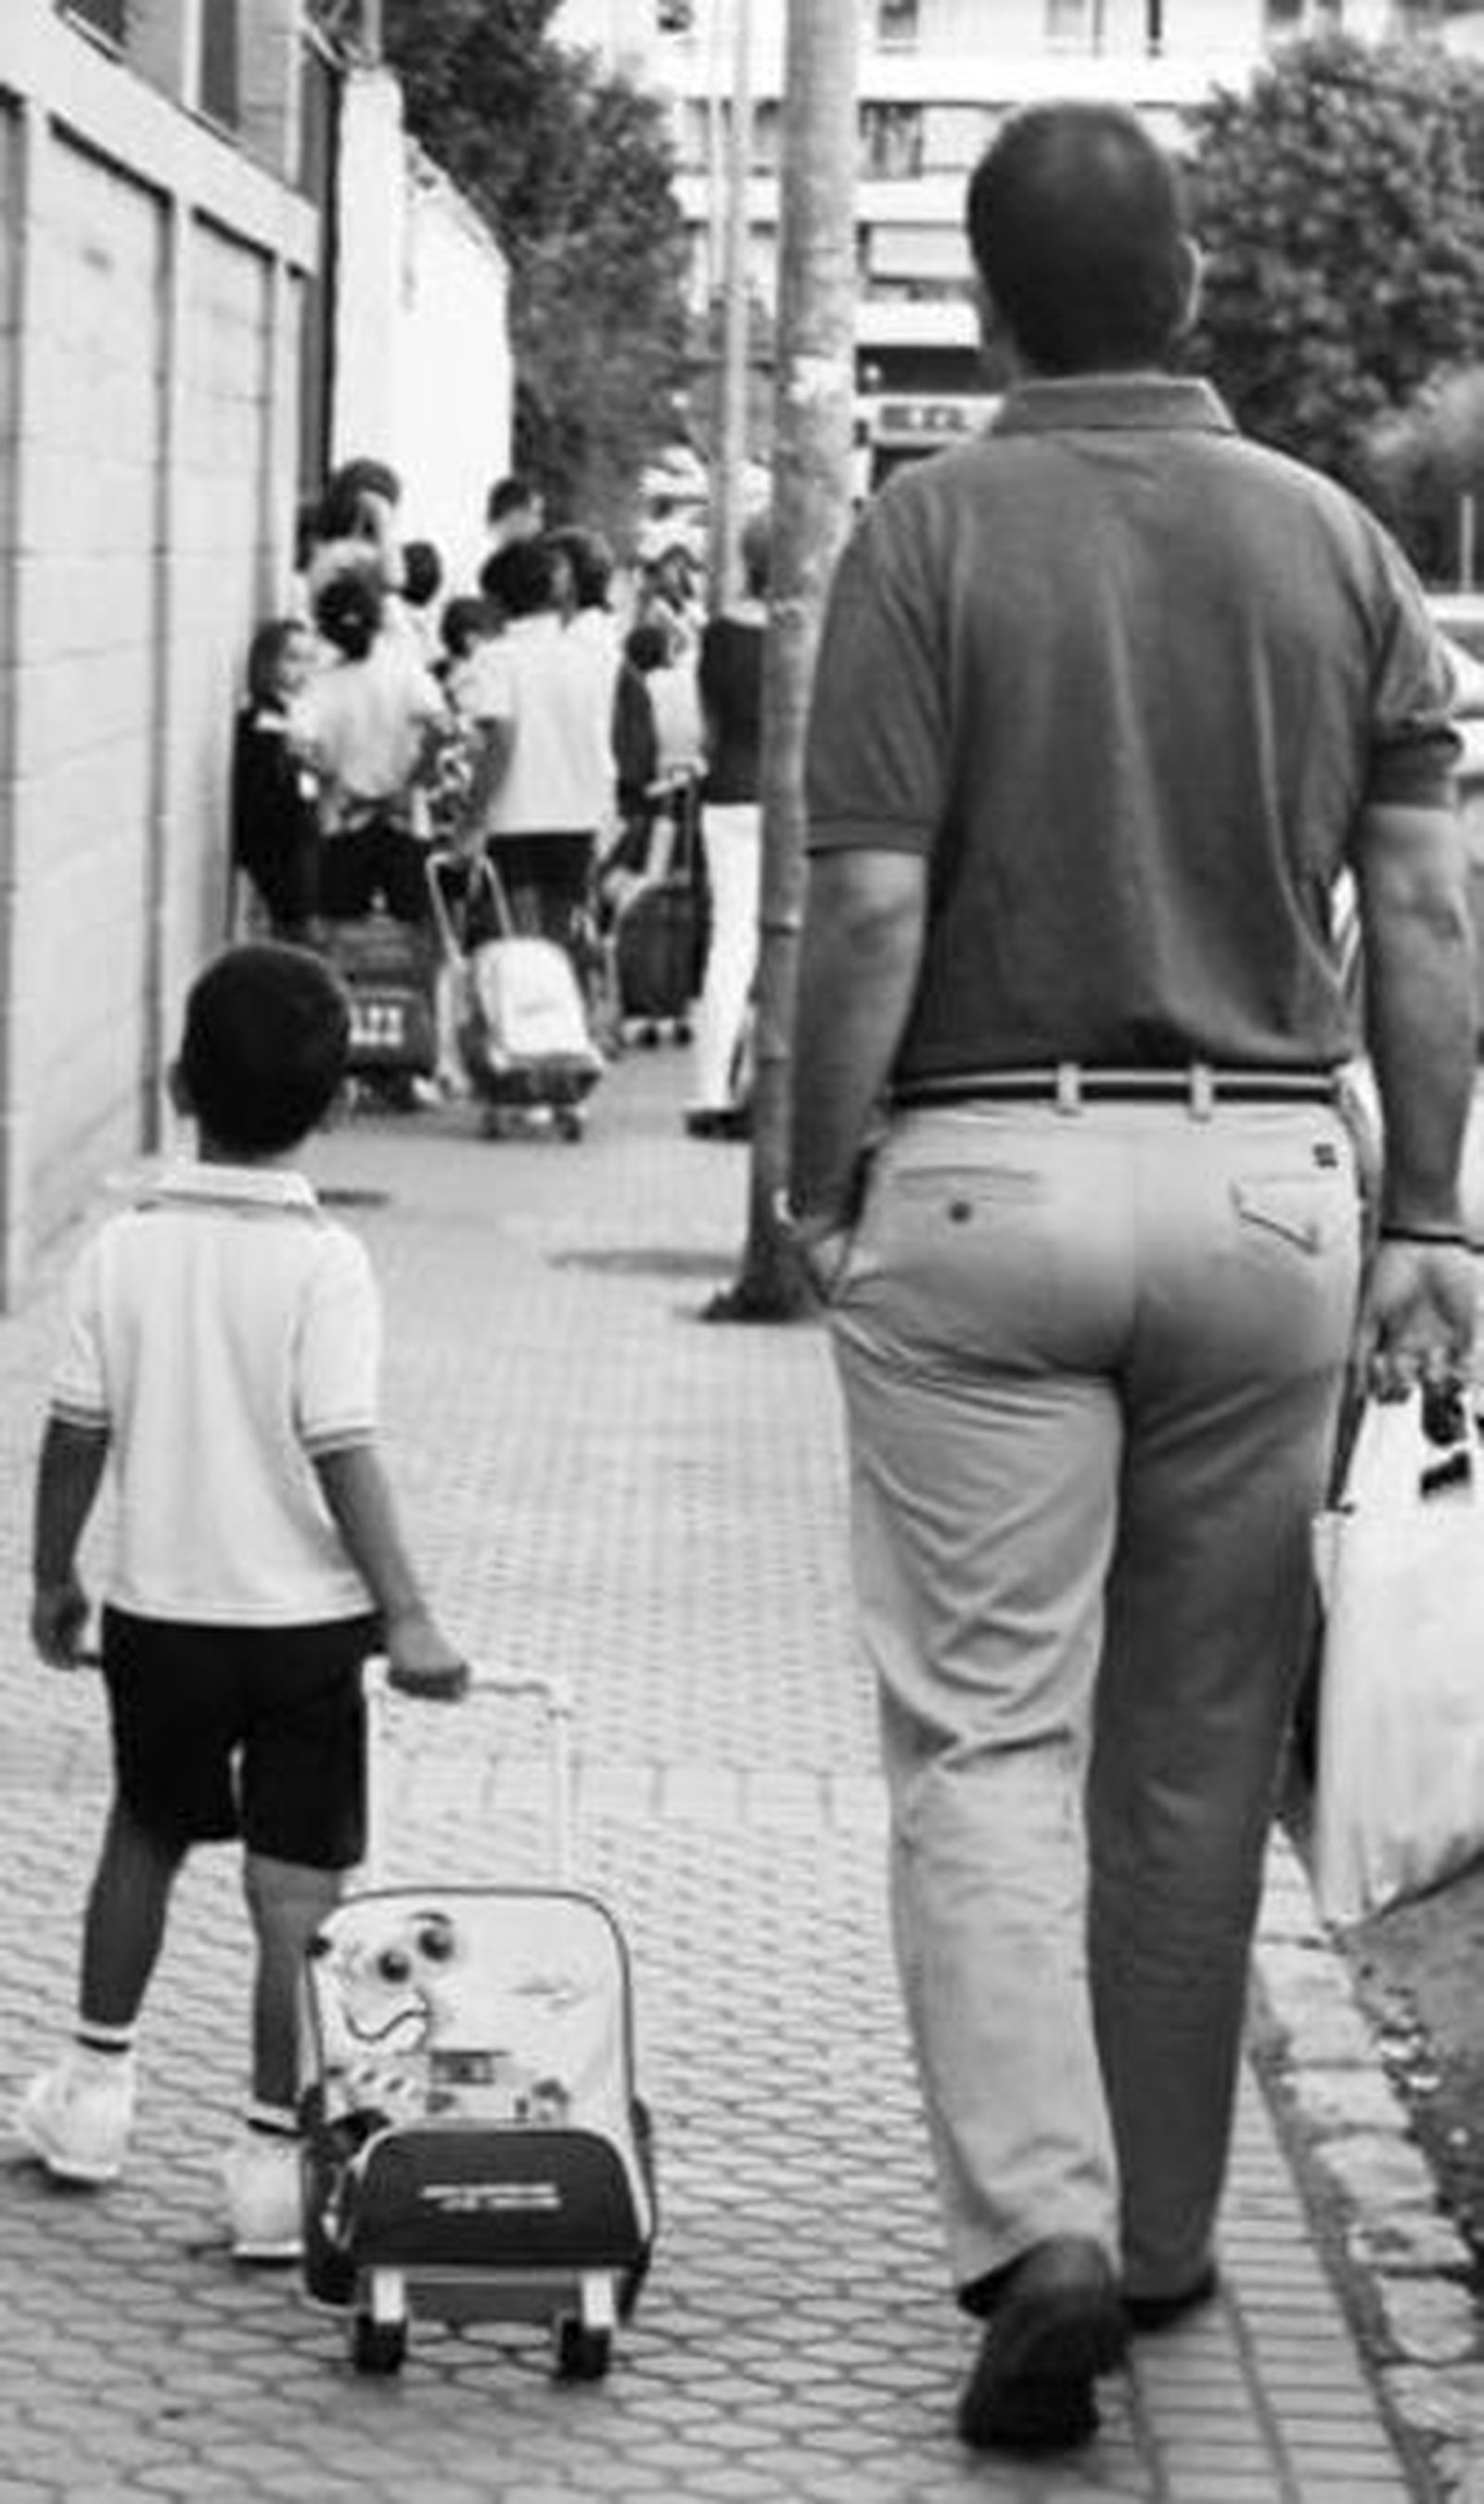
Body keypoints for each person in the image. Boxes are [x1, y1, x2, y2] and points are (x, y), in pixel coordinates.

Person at [786, 100, 1477, 2458]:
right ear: (1184, 286)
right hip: (1270, 1196)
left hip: (979, 1179)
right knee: (1188, 1748)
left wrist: (818, 1184)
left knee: (988, 1735)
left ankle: (1039, 2228)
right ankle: (1164, 2229)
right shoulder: (1333, 542)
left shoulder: (920, 535)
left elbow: (864, 908)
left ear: (983, 310)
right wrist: (1428, 1217)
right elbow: (1424, 905)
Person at [17, 943, 467, 2262]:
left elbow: (73, 1430)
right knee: (296, 1897)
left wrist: (52, 1572)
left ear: (176, 1083)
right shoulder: (326, 1263)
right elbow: (343, 1443)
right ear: (340, 1104)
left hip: (161, 1613)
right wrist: (408, 1612)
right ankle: (274, 2167)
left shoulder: (124, 1248)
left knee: (144, 1830)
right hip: (305, 1629)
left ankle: (93, 2097)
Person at [459, 537, 611, 973]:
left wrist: (473, 818)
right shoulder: (590, 655)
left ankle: (529, 1018)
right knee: (560, 950)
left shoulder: (495, 658)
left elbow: (500, 741)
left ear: (496, 601)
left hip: (516, 820)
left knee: (522, 950)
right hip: (579, 817)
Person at [292, 566, 447, 924]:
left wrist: (332, 779)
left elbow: (296, 749)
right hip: (406, 818)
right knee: (411, 929)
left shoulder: (321, 683)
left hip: (343, 818)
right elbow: (443, 728)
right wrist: (415, 780)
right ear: (378, 621)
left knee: (342, 929)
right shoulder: (405, 670)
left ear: (324, 628)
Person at [686, 514, 769, 1138]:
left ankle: (709, 1087)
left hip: (728, 793)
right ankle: (769, 1081)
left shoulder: (718, 635)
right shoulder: (816, 630)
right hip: (796, 797)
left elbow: (708, 725)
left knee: (731, 943)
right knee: (791, 942)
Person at [230, 619, 320, 941]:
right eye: (292, 658)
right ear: (266, 662)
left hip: (301, 850)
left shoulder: (294, 714)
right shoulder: (262, 721)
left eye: (309, 659)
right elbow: (268, 795)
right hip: (282, 857)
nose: (302, 670)